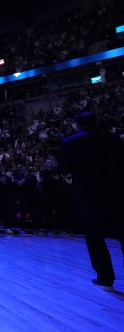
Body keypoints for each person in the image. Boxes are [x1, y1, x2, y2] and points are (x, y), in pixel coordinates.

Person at [58, 111, 124, 292]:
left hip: (88, 196)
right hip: (117, 193)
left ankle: (105, 278)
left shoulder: (69, 142)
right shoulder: (115, 139)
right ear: (97, 121)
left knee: (95, 238)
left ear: (76, 124)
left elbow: (65, 169)